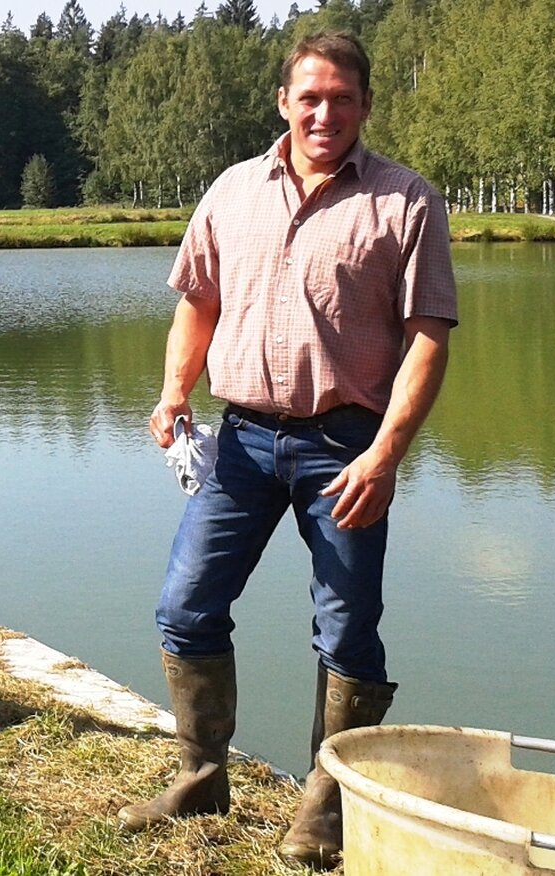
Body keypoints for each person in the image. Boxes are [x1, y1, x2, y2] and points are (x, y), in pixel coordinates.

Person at [117, 30, 458, 870]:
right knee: (185, 606)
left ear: (366, 107)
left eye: (343, 99)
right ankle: (201, 777)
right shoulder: (233, 190)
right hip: (240, 440)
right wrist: (172, 391)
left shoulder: (405, 201)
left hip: (347, 446)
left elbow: (427, 340)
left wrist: (384, 455)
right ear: (283, 102)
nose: (325, 113)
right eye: (310, 97)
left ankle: (329, 809)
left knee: (348, 633)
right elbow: (197, 303)